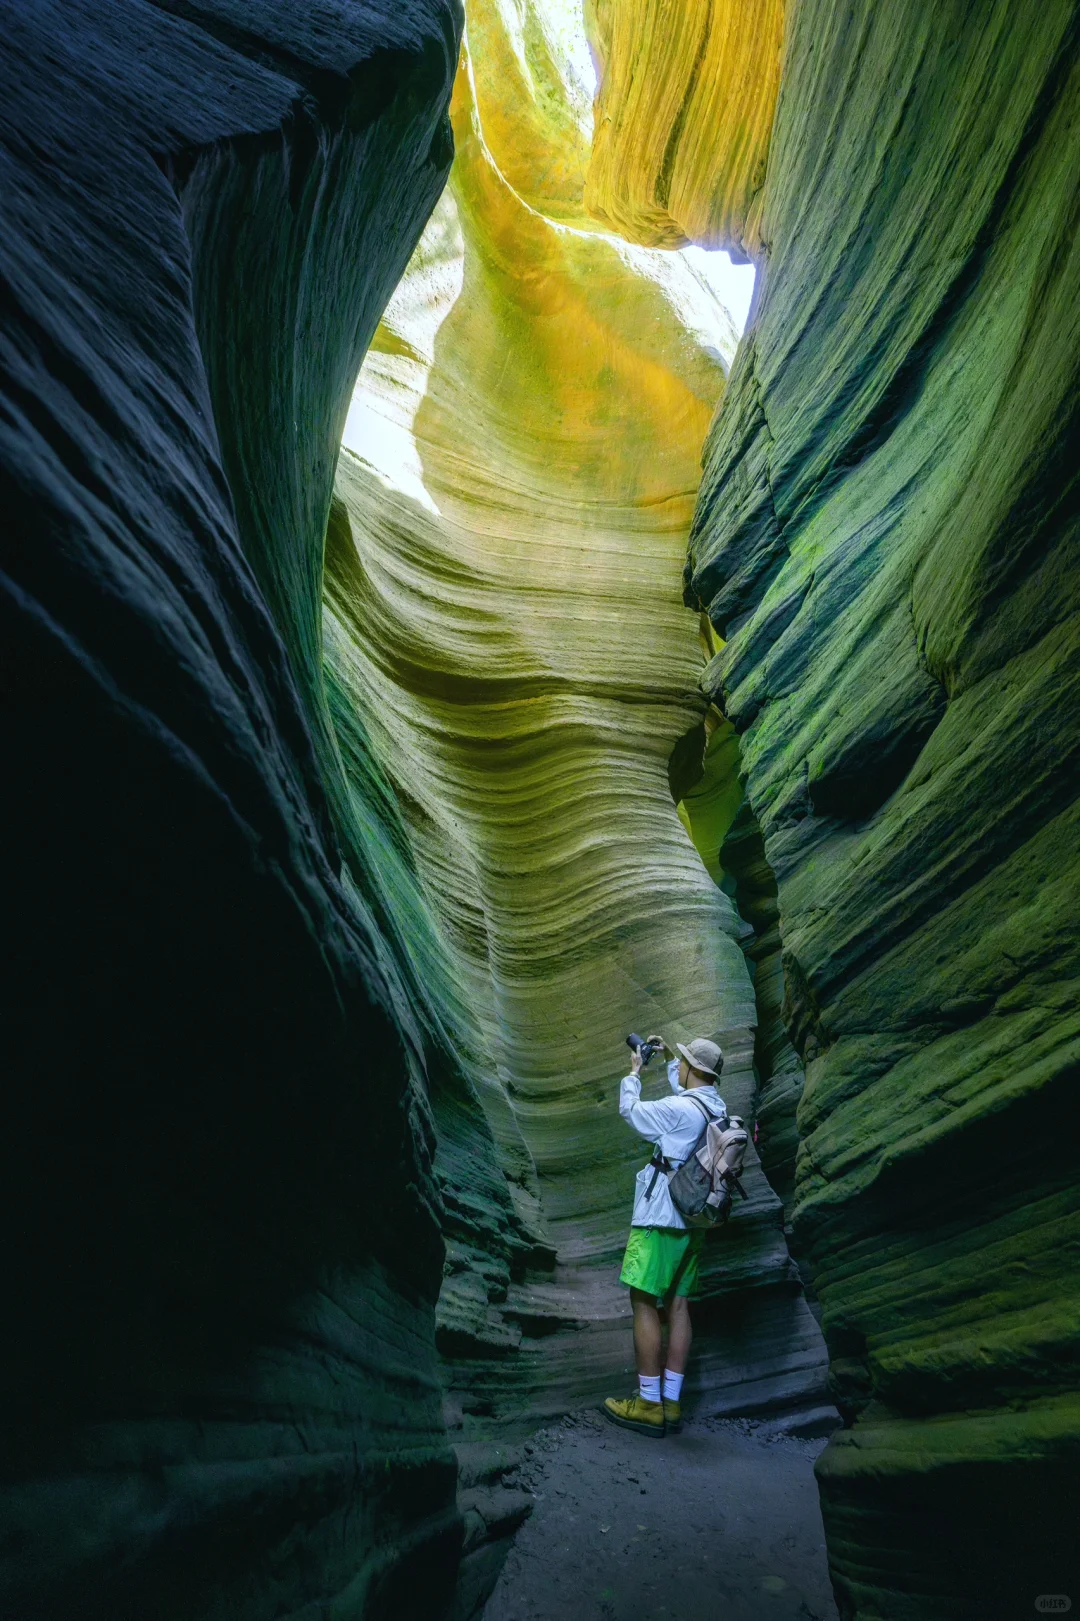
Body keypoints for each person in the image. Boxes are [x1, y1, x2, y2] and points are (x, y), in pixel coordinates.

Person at [603, 1033, 726, 1437]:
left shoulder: (678, 1110)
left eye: (685, 1062)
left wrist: (635, 1072)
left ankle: (647, 1405)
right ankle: (671, 1402)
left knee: (642, 1302)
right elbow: (685, 1088)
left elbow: (631, 1112)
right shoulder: (716, 1109)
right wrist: (678, 1057)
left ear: (694, 1070)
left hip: (660, 1219)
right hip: (695, 1221)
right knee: (678, 1307)